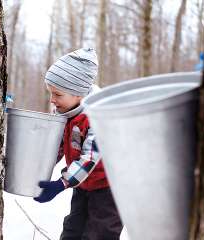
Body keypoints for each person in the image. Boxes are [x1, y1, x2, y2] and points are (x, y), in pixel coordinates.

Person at [34, 48, 123, 239]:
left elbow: (88, 160)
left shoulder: (98, 116)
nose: (52, 100)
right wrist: (37, 168)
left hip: (110, 189)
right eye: (51, 93)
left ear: (78, 93)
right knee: (72, 230)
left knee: (100, 234)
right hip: (83, 186)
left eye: (57, 94)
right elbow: (54, 147)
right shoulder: (64, 113)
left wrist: (61, 184)